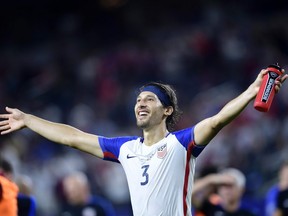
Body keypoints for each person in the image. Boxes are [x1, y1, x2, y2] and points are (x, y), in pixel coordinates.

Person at [0, 68, 286, 216]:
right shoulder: (126, 149)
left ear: (167, 110)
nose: (141, 103)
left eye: (149, 99)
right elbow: (73, 137)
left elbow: (217, 120)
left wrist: (251, 93)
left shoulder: (181, 144)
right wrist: (28, 120)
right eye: (138, 100)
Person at [192, 167, 258, 216]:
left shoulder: (249, 214)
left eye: (230, 185)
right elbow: (187, 195)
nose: (226, 190)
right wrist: (210, 179)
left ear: (241, 190)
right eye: (222, 185)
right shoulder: (209, 208)